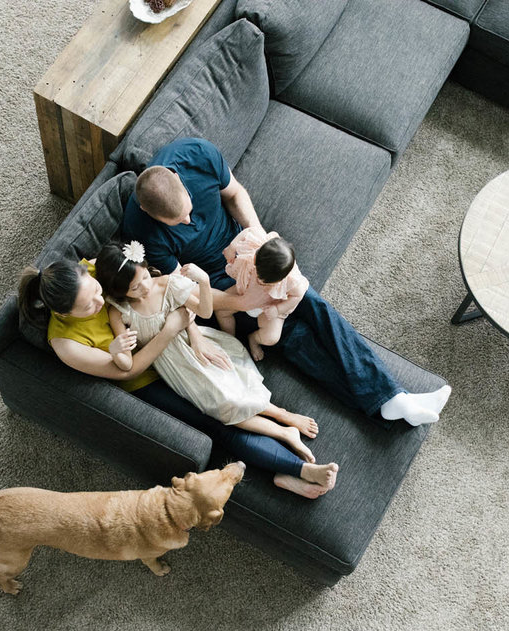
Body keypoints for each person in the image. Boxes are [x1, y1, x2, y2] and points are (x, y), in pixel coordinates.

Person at [121, 137, 451, 426]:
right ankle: (386, 407)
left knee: (313, 304)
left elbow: (235, 194)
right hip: (223, 289)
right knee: (294, 337)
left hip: (250, 254)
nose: (190, 221)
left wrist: (261, 241)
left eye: (189, 210)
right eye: (179, 222)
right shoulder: (142, 230)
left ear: (180, 180)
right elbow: (188, 294)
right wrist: (242, 303)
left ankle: (393, 398)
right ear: (150, 214)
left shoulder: (195, 154)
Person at [17, 254, 339, 499]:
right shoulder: (66, 344)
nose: (101, 303)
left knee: (234, 383)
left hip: (179, 347)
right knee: (218, 423)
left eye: (99, 292)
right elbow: (128, 369)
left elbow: (162, 297)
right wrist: (169, 330)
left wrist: (192, 331)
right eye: (89, 306)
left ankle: (283, 421)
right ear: (63, 313)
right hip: (148, 380)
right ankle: (298, 470)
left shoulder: (90, 268)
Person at [95, 241, 324, 465]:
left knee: (236, 391)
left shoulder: (166, 284)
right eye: (135, 288)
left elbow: (204, 311)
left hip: (197, 347)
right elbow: (126, 365)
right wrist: (116, 349)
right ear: (120, 290)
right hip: (176, 369)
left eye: (144, 277)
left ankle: (282, 416)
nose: (145, 288)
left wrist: (203, 281)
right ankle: (284, 431)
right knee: (224, 408)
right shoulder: (119, 310)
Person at [215, 227, 309, 361]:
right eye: (260, 277)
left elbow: (297, 295)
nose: (261, 283)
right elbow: (249, 230)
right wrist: (232, 246)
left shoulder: (291, 280)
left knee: (271, 338)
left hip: (271, 305)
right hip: (246, 289)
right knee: (221, 310)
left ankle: (254, 339)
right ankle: (229, 338)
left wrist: (278, 309)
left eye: (268, 283)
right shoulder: (258, 243)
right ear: (255, 258)